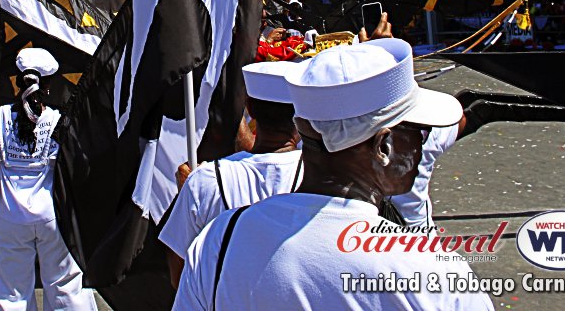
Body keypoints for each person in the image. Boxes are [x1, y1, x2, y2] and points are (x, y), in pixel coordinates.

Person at [173, 39, 494, 310]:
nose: (421, 149)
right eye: (419, 134)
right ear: (383, 147)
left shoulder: (219, 243)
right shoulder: (432, 273)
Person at [159, 88, 303, 287]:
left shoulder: (205, 181)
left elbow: (181, 277)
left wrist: (191, 190)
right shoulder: (322, 177)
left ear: (250, 108)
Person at [0, 48, 96, 311]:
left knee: (10, 292)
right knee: (65, 285)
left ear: (18, 80)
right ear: (48, 85)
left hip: (8, 215)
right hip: (52, 214)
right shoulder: (59, 120)